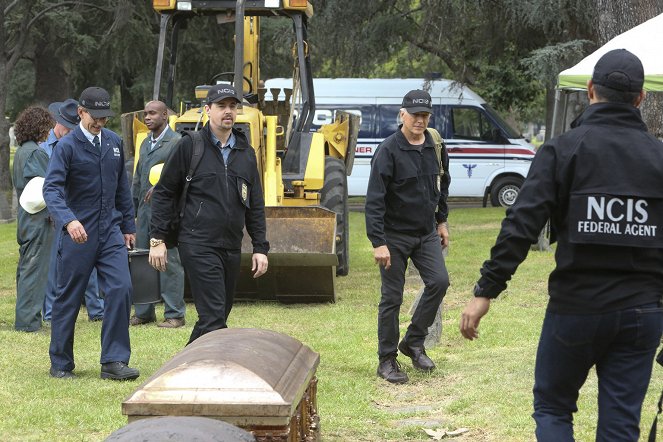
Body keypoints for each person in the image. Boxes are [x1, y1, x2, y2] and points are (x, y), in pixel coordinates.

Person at [460, 49, 663, 441]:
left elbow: (521, 224)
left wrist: (486, 291)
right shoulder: (659, 158)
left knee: (553, 408)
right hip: (642, 313)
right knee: (621, 424)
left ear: (590, 91)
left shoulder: (563, 149)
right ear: (641, 98)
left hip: (577, 306)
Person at [149, 85, 269, 345]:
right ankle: (213, 372)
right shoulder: (190, 146)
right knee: (214, 316)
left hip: (231, 245)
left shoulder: (246, 153)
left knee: (216, 314)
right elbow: (164, 193)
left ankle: (184, 364)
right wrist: (157, 239)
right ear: (207, 110)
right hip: (197, 242)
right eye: (221, 106)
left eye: (233, 107)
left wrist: (260, 247)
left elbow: (255, 203)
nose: (228, 112)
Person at [43, 86, 139, 380]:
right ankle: (60, 362)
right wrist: (68, 221)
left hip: (109, 231)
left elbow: (122, 186)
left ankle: (114, 361)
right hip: (77, 233)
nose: (100, 122)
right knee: (68, 297)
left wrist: (128, 227)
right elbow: (52, 189)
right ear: (81, 112)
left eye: (104, 117)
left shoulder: (113, 142)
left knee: (121, 288)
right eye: (95, 117)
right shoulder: (67, 146)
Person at [365, 89, 450, 384]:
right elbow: (374, 199)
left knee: (440, 282)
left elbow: (442, 185)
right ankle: (387, 359)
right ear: (402, 114)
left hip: (425, 232)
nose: (420, 120)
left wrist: (441, 222)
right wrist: (378, 242)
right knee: (392, 297)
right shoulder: (388, 150)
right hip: (394, 236)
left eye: (425, 115)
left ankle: (413, 342)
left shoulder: (436, 145)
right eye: (415, 115)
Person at [41, 99, 104, 323]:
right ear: (59, 124)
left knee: (88, 261)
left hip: (79, 212)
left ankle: (96, 309)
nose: (72, 130)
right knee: (54, 267)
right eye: (68, 125)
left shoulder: (76, 143)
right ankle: (50, 312)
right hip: (54, 213)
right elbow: (46, 186)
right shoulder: (44, 148)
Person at [130, 100, 186, 328]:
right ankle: (144, 312)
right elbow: (138, 176)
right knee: (143, 259)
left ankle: (175, 314)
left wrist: (160, 186)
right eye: (146, 113)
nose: (148, 117)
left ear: (165, 116)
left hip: (165, 212)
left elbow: (182, 176)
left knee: (169, 261)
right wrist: (132, 210)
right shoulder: (144, 143)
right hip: (144, 213)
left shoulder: (177, 142)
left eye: (153, 113)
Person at [11, 106, 55, 332]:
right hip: (38, 217)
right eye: (46, 127)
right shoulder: (36, 153)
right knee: (34, 269)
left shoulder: (21, 151)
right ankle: (28, 322)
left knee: (26, 267)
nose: (49, 132)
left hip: (25, 217)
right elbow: (46, 186)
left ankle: (26, 317)